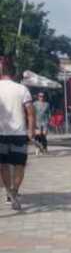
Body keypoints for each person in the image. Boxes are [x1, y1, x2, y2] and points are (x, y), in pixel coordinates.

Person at [0, 56, 34, 211]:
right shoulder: (22, 89)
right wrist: (31, 131)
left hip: (1, 133)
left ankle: (9, 192)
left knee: (3, 166)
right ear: (13, 72)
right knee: (19, 165)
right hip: (19, 133)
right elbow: (30, 113)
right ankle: (14, 191)